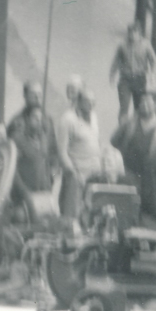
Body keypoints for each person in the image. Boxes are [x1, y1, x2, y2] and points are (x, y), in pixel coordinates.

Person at [111, 92, 156, 200]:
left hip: (150, 175)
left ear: (155, 105)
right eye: (142, 102)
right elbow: (114, 141)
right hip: (129, 172)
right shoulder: (129, 121)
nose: (145, 105)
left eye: (148, 103)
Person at [58, 88, 101, 218]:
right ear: (79, 101)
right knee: (72, 214)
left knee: (91, 214)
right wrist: (73, 174)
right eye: (87, 101)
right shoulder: (68, 119)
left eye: (93, 101)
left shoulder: (93, 116)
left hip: (94, 174)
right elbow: (62, 151)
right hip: (76, 174)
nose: (91, 104)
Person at [110, 24, 156, 121]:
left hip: (140, 79)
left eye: (135, 33)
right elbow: (116, 61)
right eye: (130, 32)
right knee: (124, 108)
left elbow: (153, 61)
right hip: (125, 80)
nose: (132, 35)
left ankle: (136, 128)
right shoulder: (122, 45)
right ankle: (122, 128)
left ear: (140, 34)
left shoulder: (146, 45)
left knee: (139, 108)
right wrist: (112, 76)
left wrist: (152, 74)